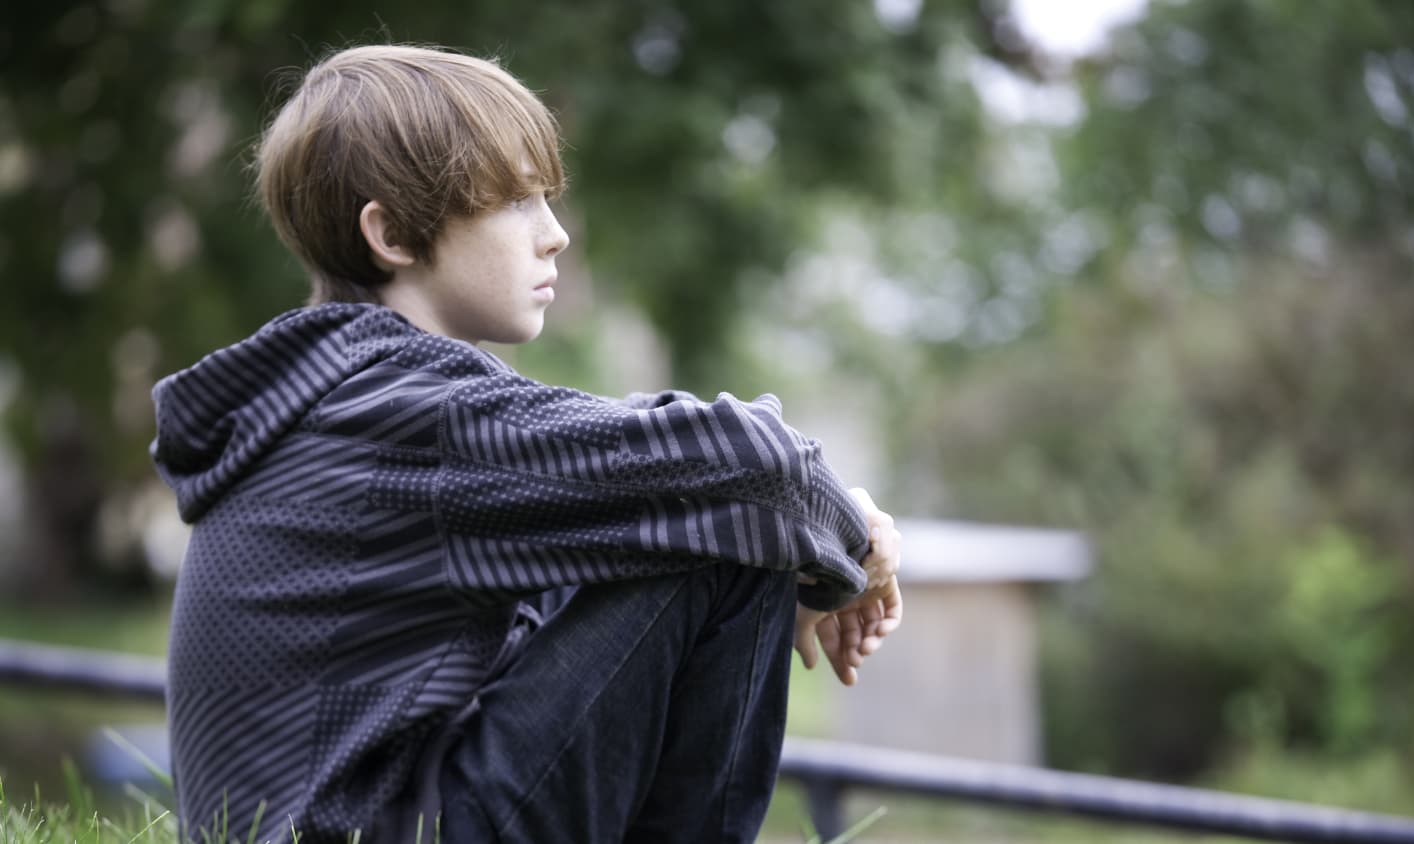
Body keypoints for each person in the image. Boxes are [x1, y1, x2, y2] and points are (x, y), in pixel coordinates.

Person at [150, 44, 902, 844]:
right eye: (514, 201)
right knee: (717, 512)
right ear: (395, 233)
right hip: (376, 827)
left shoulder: (343, 396)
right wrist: (856, 543)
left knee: (701, 514)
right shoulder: (409, 416)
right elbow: (752, 467)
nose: (555, 237)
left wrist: (801, 559)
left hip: (382, 809)